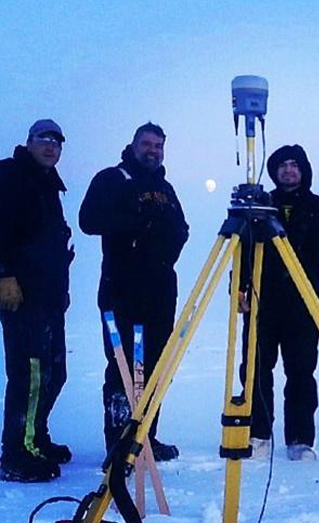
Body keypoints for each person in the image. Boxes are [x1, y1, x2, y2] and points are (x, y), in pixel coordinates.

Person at [240, 144, 319, 461]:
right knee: (256, 370)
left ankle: (299, 440)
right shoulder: (260, 206)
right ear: (274, 171)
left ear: (303, 170)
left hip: (304, 302)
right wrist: (239, 288)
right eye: (282, 165)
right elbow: (241, 249)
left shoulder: (318, 207)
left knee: (301, 372)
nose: (288, 170)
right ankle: (258, 435)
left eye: (294, 165)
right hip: (262, 302)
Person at [79, 123, 189, 461]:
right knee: (123, 366)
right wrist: (136, 222)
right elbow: (89, 220)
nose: (152, 150)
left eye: (158, 145)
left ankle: (144, 438)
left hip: (159, 292)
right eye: (147, 143)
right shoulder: (112, 179)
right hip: (121, 290)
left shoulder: (166, 189)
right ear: (134, 144)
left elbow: (181, 229)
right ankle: (120, 442)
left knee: (155, 366)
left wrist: (165, 248)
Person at [0, 119, 74, 482]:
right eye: (43, 140)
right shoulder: (11, 175)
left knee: (54, 373)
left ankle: (35, 437)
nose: (50, 147)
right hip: (22, 296)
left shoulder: (48, 185)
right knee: (29, 375)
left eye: (57, 142)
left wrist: (62, 289)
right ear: (28, 141)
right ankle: (15, 452)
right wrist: (4, 275)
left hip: (48, 297)